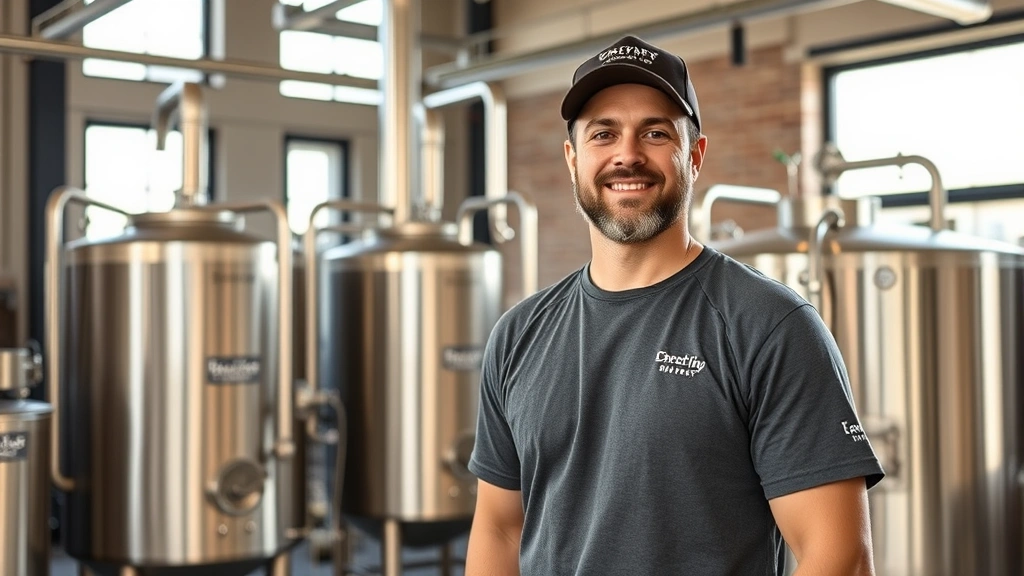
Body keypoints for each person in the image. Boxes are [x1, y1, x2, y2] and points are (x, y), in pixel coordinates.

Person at [464, 34, 885, 576]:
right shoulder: (519, 333)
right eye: (603, 134)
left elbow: (839, 558)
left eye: (656, 133)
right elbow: (499, 527)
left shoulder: (769, 326)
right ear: (573, 159)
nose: (627, 155)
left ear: (696, 155)